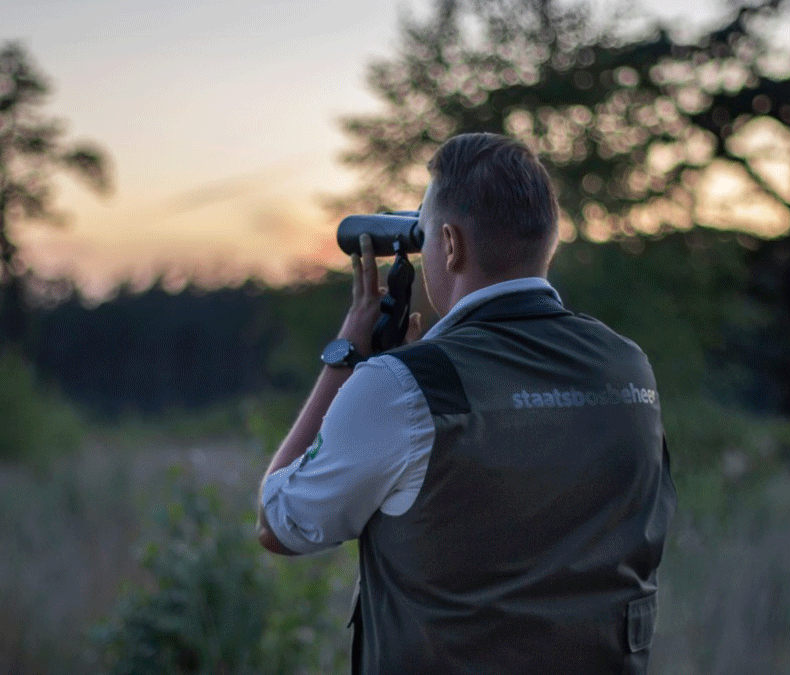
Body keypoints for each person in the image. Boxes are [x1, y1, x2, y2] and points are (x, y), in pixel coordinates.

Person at [256, 132, 676, 675]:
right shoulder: (627, 368)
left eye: (425, 235)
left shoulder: (403, 387)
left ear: (451, 245)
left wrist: (346, 359)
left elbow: (278, 521)